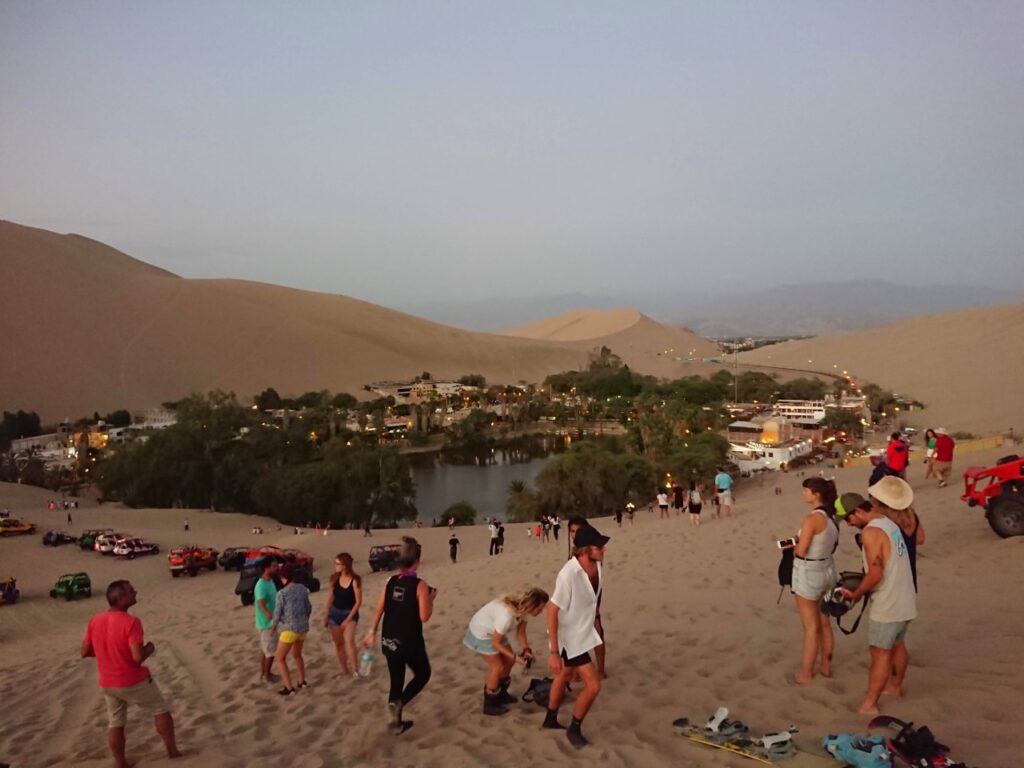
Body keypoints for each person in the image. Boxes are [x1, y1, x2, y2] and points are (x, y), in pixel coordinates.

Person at [838, 476, 917, 715]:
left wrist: (856, 594)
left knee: (880, 652)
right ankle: (895, 687)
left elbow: (875, 574)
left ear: (857, 511)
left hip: (888, 602)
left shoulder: (871, 532)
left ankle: (869, 703)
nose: (849, 524)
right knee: (898, 644)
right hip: (905, 597)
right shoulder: (889, 523)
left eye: (848, 518)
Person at [81, 581, 180, 768]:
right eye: (130, 591)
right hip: (132, 680)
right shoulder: (131, 622)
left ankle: (121, 763)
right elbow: (136, 657)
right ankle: (172, 752)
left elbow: (85, 651)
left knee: (116, 722)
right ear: (120, 598)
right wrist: (149, 649)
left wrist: (107, 651)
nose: (135, 592)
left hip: (108, 682)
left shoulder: (95, 620)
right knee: (160, 709)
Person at [543, 524, 610, 748]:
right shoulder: (568, 574)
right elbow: (551, 610)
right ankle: (574, 728)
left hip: (584, 631)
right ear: (584, 550)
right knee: (593, 686)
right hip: (569, 638)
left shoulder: (597, 566)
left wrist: (596, 621)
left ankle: (550, 719)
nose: (604, 549)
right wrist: (554, 651)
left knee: (564, 675)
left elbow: (593, 600)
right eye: (599, 546)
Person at [363, 536, 436, 734]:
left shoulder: (390, 581)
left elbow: (378, 610)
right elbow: (424, 616)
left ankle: (396, 724)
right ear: (417, 562)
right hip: (410, 641)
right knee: (423, 674)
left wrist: (371, 633)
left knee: (396, 680)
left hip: (389, 640)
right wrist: (431, 598)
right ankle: (399, 703)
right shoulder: (420, 585)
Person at [785, 478, 839, 684]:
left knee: (810, 627)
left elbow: (801, 550)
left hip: (809, 571)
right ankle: (825, 667)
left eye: (806, 491)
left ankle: (806, 673)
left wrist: (792, 546)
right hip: (827, 568)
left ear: (816, 494)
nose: (803, 494)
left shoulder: (812, 519)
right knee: (825, 623)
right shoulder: (832, 518)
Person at [464, 588, 549, 715]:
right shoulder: (507, 617)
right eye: (539, 609)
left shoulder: (524, 611)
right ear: (532, 605)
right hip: (481, 633)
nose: (541, 612)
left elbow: (520, 633)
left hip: (495, 631)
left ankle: (502, 694)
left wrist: (526, 649)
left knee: (508, 662)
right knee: (497, 667)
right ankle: (490, 703)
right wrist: (516, 657)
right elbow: (495, 643)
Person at [271, 563, 312, 695]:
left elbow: (277, 614)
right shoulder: (302, 588)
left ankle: (289, 687)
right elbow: (308, 608)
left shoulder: (281, 594)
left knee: (280, 657)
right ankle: (302, 681)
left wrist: (273, 628)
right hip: (303, 628)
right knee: (297, 654)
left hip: (289, 629)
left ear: (284, 577)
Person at [325, 553, 362, 678]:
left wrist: (348, 619)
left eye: (337, 564)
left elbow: (358, 602)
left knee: (349, 641)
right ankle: (343, 670)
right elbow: (331, 597)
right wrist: (326, 614)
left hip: (350, 613)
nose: (335, 566)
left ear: (345, 566)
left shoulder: (355, 580)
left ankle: (355, 670)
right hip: (334, 614)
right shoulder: (334, 579)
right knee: (339, 644)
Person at [254, 557, 279, 682]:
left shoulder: (270, 581)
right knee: (270, 651)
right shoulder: (261, 585)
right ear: (267, 568)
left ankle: (264, 673)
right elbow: (260, 602)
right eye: (274, 566)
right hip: (266, 623)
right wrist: (267, 613)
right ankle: (267, 675)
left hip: (271, 621)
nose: (276, 568)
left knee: (265, 649)